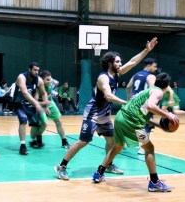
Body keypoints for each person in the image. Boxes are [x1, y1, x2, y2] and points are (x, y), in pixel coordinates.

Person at [54, 37, 158, 180]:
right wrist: (126, 103)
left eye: (120, 61)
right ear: (109, 63)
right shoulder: (103, 78)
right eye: (117, 61)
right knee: (83, 141)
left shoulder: (116, 74)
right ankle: (61, 166)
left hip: (104, 116)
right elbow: (108, 96)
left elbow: (133, 62)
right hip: (93, 114)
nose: (120, 64)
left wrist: (146, 50)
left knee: (112, 142)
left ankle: (108, 164)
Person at [91, 73, 179, 192]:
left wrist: (160, 126)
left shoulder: (148, 91)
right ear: (167, 85)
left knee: (118, 147)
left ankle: (99, 173)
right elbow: (150, 105)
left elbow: (146, 114)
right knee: (149, 149)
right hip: (131, 123)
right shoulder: (158, 92)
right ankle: (154, 182)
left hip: (120, 117)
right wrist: (167, 114)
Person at [13, 62, 49, 155]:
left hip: (29, 104)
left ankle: (36, 139)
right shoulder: (21, 77)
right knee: (23, 121)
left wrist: (46, 105)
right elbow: (24, 93)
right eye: (34, 70)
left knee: (36, 124)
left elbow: (44, 93)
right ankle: (23, 145)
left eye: (38, 70)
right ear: (29, 69)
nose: (36, 72)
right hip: (19, 103)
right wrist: (36, 104)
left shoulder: (39, 80)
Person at [126, 57, 157, 154]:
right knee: (147, 125)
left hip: (133, 102)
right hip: (143, 103)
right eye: (154, 66)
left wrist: (129, 98)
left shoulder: (136, 74)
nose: (156, 69)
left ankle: (123, 141)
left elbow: (128, 87)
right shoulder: (151, 76)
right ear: (149, 66)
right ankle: (142, 147)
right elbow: (153, 90)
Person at [34, 71, 70, 149]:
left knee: (58, 121)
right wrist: (45, 105)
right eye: (47, 80)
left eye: (49, 79)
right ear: (41, 79)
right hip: (40, 104)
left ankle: (64, 141)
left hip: (50, 103)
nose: (49, 81)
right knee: (44, 123)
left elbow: (57, 83)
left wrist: (51, 80)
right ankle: (38, 138)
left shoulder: (50, 83)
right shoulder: (38, 87)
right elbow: (35, 102)